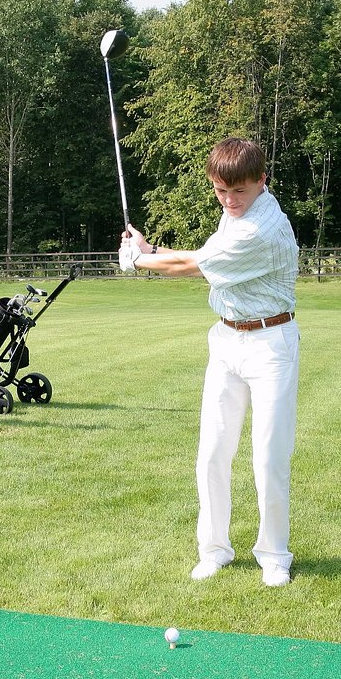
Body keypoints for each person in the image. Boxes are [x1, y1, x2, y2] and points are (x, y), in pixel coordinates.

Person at [119, 137, 300, 587]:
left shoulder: (264, 228)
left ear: (262, 180)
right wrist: (149, 250)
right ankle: (214, 549)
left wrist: (138, 261)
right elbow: (201, 258)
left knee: (269, 458)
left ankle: (274, 555)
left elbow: (195, 266)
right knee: (212, 453)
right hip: (226, 339)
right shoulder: (234, 214)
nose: (229, 200)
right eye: (220, 191)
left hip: (270, 344)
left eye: (238, 191)